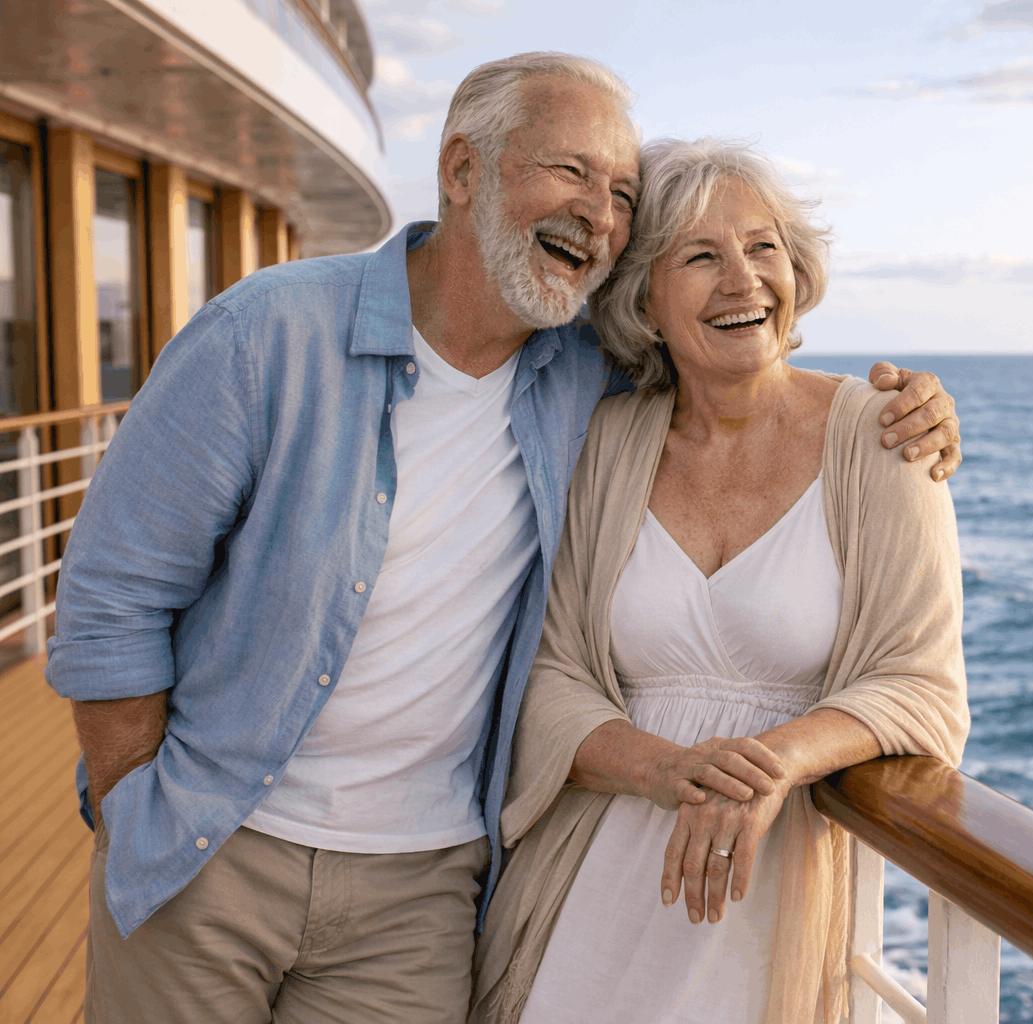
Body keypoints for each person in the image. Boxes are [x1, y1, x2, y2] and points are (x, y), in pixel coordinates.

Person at [45, 54, 962, 1024]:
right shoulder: (269, 336)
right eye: (570, 171)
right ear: (460, 170)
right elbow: (111, 598)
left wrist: (923, 409)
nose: (597, 214)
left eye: (619, 194)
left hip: (422, 886)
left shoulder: (582, 377)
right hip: (217, 846)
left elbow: (736, 363)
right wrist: (141, 811)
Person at [470, 137, 970, 1024]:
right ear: (645, 300)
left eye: (763, 246)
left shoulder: (886, 437)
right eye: (701, 257)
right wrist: (666, 770)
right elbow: (547, 675)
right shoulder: (607, 442)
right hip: (596, 890)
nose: (744, 280)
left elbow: (923, 688)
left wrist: (773, 763)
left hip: (770, 896)